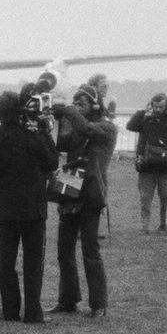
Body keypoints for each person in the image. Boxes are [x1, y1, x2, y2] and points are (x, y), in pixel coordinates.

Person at [0, 92, 59, 323]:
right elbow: (52, 162)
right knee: (33, 261)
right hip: (33, 206)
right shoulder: (34, 137)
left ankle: (10, 310)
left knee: (7, 260)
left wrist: (2, 185)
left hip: (6, 206)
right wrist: (46, 131)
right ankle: (33, 311)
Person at [48, 85, 117, 319]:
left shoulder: (107, 127)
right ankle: (68, 300)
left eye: (82, 104)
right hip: (71, 185)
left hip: (90, 191)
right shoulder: (78, 127)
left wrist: (67, 108)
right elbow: (59, 145)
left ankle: (98, 304)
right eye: (75, 103)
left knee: (90, 250)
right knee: (64, 249)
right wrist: (55, 119)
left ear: (95, 106)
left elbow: (87, 128)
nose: (77, 108)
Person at [127, 93, 167, 233]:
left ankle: (163, 224)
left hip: (166, 165)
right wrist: (143, 112)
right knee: (145, 197)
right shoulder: (145, 117)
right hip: (146, 164)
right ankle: (144, 227)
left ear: (166, 106)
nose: (158, 109)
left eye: (161, 107)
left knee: (165, 196)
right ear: (151, 105)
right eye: (155, 106)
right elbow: (130, 125)